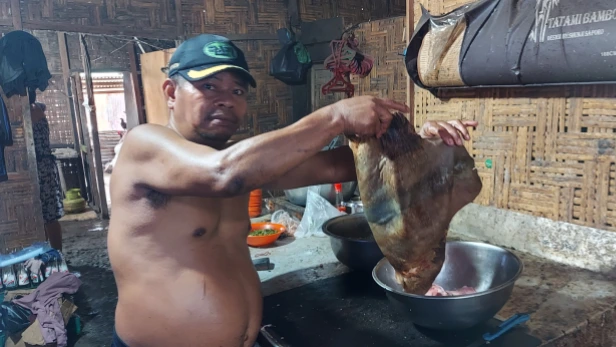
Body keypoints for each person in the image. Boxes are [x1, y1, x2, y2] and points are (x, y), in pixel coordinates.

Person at [107, 34, 478, 347]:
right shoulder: (145, 144)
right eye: (208, 86)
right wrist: (335, 116)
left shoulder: (243, 158)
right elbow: (223, 174)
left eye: (237, 90)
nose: (225, 99)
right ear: (171, 91)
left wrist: (420, 148)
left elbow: (337, 166)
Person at [30, 102, 64, 251]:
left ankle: (54, 255)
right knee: (48, 217)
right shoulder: (38, 109)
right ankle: (56, 254)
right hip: (45, 167)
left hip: (40, 169)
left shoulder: (30, 112)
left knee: (46, 217)